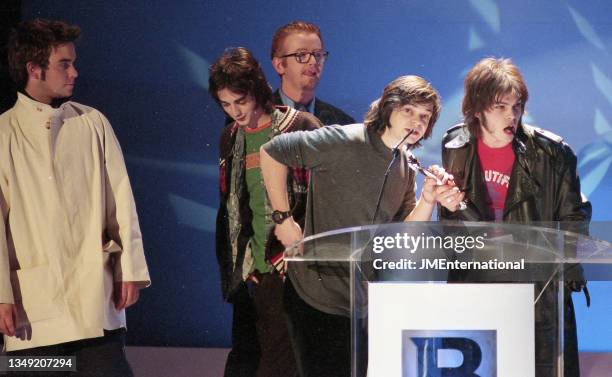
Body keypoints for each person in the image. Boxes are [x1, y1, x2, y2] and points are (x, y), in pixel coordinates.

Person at [260, 75, 463, 377]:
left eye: (424, 117)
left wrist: (428, 199)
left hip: (360, 304)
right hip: (315, 296)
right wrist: (283, 218)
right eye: (408, 111)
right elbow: (272, 152)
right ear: (388, 108)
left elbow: (400, 237)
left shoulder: (405, 165)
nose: (416, 122)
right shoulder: (344, 140)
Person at [0, 19, 150, 376]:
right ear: (33, 68)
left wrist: (130, 268)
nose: (75, 72)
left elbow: (121, 202)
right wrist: (1, 294)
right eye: (64, 64)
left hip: (94, 303)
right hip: (32, 312)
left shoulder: (92, 122)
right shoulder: (3, 133)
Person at [438, 57, 591, 377]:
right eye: (500, 106)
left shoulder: (551, 152)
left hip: (535, 292)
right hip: (477, 288)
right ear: (477, 108)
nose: (512, 115)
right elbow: (452, 225)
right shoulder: (455, 144)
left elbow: (573, 216)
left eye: (517, 106)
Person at [209, 46, 322, 377]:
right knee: (253, 356)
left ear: (256, 89)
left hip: (294, 263)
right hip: (252, 268)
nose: (235, 112)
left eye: (240, 101)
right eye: (226, 105)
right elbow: (230, 204)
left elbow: (321, 198)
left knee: (284, 360)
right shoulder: (230, 137)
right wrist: (243, 262)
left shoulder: (300, 125)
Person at [270, 21, 354, 125]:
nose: (313, 61)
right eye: (301, 54)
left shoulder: (343, 123)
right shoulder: (256, 117)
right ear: (279, 65)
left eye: (318, 54)